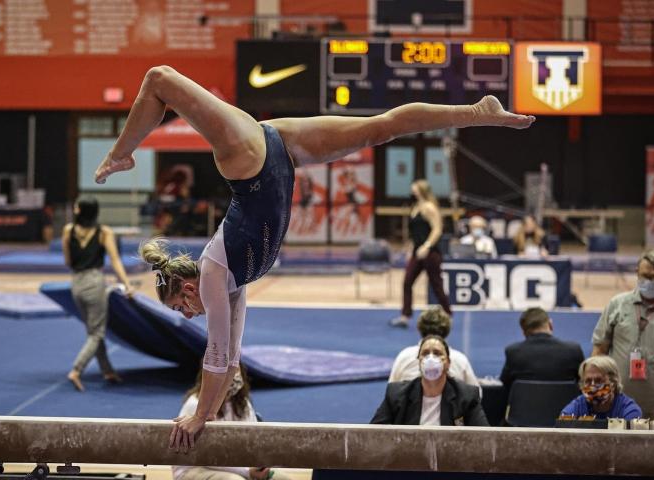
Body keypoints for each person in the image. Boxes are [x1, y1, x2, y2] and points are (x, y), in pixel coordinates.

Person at [96, 66, 533, 451]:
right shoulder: (231, 284)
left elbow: (214, 358)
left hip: (246, 159)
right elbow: (228, 361)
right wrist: (205, 416)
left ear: (188, 287)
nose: (186, 316)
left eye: (180, 307)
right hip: (281, 151)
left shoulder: (213, 275)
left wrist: (196, 416)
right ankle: (476, 112)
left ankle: (120, 153)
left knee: (159, 79)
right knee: (379, 129)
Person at [592, 249, 654, 424]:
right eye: (644, 276)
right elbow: (599, 351)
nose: (648, 281)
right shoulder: (617, 305)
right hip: (618, 406)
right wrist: (599, 392)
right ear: (636, 273)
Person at [62, 197, 133, 391]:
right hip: (94, 282)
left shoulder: (68, 230)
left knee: (93, 330)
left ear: (79, 211)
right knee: (96, 333)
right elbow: (115, 260)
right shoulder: (104, 232)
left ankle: (107, 370)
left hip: (75, 283)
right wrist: (126, 284)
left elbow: (68, 261)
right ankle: (77, 370)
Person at [172, 365, 288, 480]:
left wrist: (258, 466)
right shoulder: (196, 406)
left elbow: (252, 443)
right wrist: (247, 472)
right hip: (196, 468)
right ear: (210, 376)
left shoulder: (242, 404)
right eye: (225, 371)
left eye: (234, 371)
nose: (231, 377)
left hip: (237, 466)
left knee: (280, 478)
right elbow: (207, 456)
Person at [371, 335, 489, 426]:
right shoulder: (397, 394)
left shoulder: (466, 396)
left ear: (448, 363)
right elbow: (372, 434)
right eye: (425, 353)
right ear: (419, 361)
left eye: (437, 353)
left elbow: (485, 437)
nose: (431, 359)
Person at [390, 180, 451, 328]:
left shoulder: (429, 208)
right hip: (417, 251)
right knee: (407, 281)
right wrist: (411, 249)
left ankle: (448, 313)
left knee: (436, 284)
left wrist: (427, 246)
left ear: (421, 190)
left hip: (430, 252)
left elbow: (437, 229)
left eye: (415, 188)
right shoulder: (415, 207)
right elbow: (415, 233)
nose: (412, 191)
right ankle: (405, 315)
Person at [388, 306, 480, 393]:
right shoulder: (460, 360)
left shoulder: (404, 356)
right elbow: (477, 394)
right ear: (447, 330)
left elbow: (391, 391)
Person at [500, 307, 584, 400]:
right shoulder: (573, 350)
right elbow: (583, 386)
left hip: (526, 413)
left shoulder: (513, 352)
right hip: (565, 413)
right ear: (550, 324)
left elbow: (505, 386)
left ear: (524, 332)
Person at [560, 356, 642, 421]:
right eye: (588, 381)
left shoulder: (629, 410)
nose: (593, 386)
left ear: (613, 383)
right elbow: (562, 427)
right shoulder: (578, 406)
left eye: (599, 381)